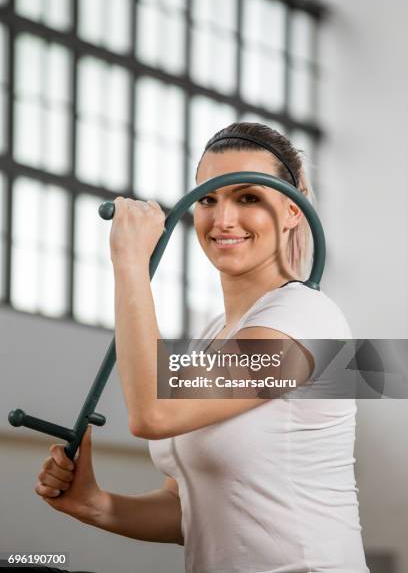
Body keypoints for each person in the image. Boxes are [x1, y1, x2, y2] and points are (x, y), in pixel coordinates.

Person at [35, 122, 370, 573]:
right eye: (208, 198)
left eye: (247, 197)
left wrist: (131, 262)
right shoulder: (211, 335)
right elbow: (191, 511)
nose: (222, 219)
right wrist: (93, 503)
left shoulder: (306, 320)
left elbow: (153, 413)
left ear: (293, 210)